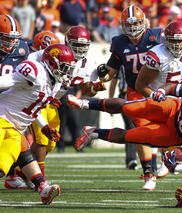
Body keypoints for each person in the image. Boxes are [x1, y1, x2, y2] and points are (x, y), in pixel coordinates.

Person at [67, 80, 182, 187]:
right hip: (173, 108)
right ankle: (83, 103)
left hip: (174, 134)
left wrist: (177, 167)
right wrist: (162, 91)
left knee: (130, 136)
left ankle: (93, 133)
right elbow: (171, 86)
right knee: (129, 107)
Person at [87, 5, 164, 191]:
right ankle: (149, 174)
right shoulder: (120, 42)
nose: (132, 27)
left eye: (136, 22)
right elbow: (110, 75)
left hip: (160, 87)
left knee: (169, 125)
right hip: (136, 90)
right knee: (141, 131)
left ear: (143, 21)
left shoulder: (156, 37)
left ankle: (168, 161)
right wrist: (103, 73)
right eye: (128, 24)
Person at [25, 26, 106, 182]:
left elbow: (87, 90)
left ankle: (20, 172)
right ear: (68, 42)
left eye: (84, 45)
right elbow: (33, 61)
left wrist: (95, 88)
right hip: (37, 99)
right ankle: (39, 180)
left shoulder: (86, 62)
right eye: (77, 44)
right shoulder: (57, 53)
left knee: (50, 144)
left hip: (52, 103)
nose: (81, 49)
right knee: (41, 140)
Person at [0, 43, 76, 204]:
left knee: (2, 166)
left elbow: (33, 107)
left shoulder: (54, 83)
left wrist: (44, 126)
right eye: (63, 67)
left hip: (16, 129)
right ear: (50, 63)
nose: (66, 72)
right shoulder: (35, 72)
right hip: (1, 118)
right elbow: (4, 81)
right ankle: (41, 186)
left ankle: (41, 187)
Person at [135, 21, 182, 179]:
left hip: (181, 99)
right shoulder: (157, 55)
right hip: (159, 98)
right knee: (152, 134)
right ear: (166, 40)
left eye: (181, 41)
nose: (177, 45)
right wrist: (155, 97)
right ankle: (153, 168)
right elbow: (140, 85)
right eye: (173, 40)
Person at [0, 14, 31, 190]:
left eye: (14, 39)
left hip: (8, 105)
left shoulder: (22, 49)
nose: (11, 43)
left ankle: (13, 175)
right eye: (6, 38)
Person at [109, 65, 137, 170]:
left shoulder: (145, 57)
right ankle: (131, 159)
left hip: (140, 96)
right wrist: (110, 101)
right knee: (131, 127)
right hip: (124, 96)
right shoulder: (120, 61)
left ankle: (147, 160)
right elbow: (113, 80)